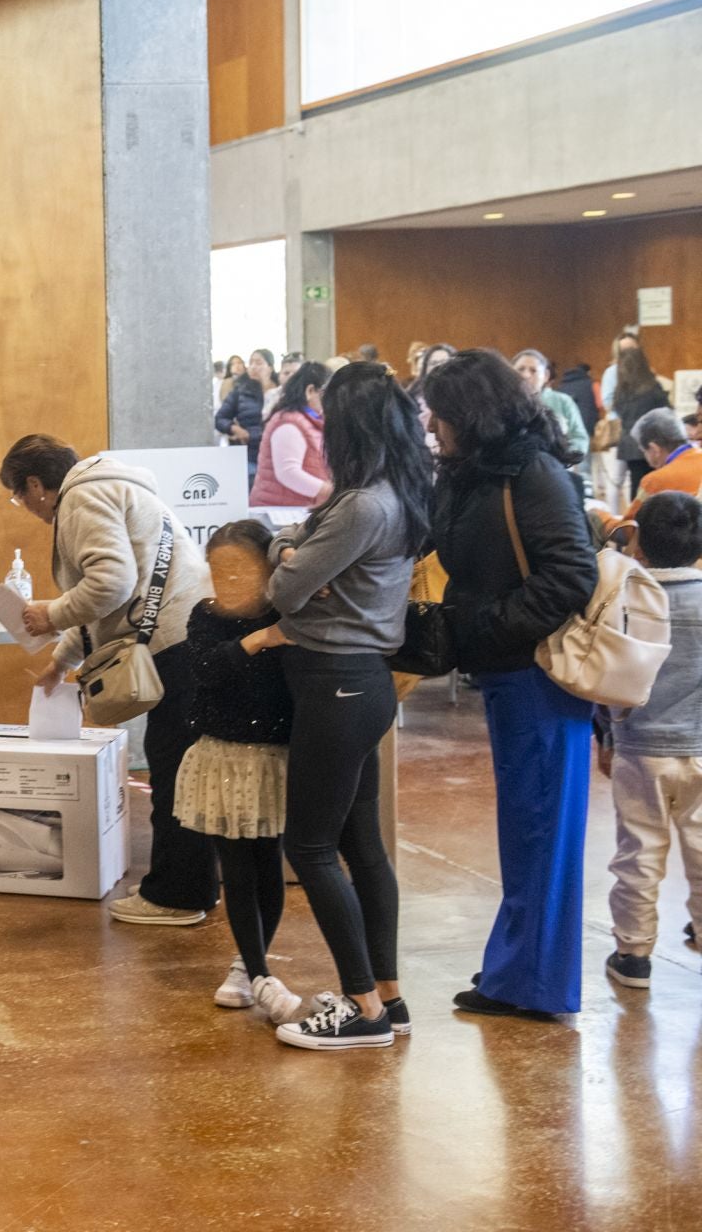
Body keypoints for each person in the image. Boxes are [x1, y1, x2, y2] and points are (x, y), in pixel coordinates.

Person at [425, 350, 599, 1018]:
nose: (432, 422)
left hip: (538, 677)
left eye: (440, 410)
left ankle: (534, 982)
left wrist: (493, 627)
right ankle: (516, 975)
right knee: (527, 834)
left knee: (542, 834)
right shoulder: (471, 473)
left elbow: (569, 575)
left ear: (471, 411)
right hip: (505, 671)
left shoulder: (533, 473)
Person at [262, 361, 428, 1051]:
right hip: (362, 685)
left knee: (310, 845)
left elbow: (283, 589)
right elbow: (300, 571)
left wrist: (288, 551)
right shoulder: (392, 491)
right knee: (362, 845)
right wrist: (298, 554)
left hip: (336, 682)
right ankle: (388, 995)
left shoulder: (360, 504)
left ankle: (361, 1009)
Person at [0, 435, 214, 926]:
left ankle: (177, 896)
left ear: (36, 484)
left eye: (18, 496)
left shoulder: (81, 498)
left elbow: (110, 583)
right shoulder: (112, 486)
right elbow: (111, 594)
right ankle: (194, 881)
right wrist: (62, 659)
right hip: (189, 637)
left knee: (173, 769)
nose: (24, 507)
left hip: (173, 646)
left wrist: (48, 614)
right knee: (181, 764)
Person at [174, 520, 313, 1023]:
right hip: (223, 757)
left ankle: (248, 966)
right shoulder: (205, 617)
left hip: (273, 757)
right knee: (234, 866)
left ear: (268, 568)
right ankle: (257, 972)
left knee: (266, 861)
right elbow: (204, 671)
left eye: (240, 568)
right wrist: (256, 642)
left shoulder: (289, 614)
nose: (228, 580)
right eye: (218, 570)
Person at [597, 491, 702, 992]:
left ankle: (633, 954)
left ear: (638, 541)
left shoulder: (628, 598)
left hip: (639, 745)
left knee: (638, 852)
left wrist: (607, 733)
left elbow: (608, 673)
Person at [250, 361, 331, 508]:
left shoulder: (311, 420)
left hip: (299, 507)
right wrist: (328, 491)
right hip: (280, 511)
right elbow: (288, 473)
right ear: (310, 391)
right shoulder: (289, 422)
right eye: (326, 394)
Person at [613, 345, 671, 497]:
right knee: (656, 485)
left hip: (629, 444)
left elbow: (618, 412)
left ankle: (636, 516)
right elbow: (666, 412)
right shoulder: (653, 388)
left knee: (637, 486)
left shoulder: (620, 392)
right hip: (653, 443)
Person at [622, 409, 702, 521]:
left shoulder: (655, 481)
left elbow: (628, 530)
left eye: (644, 451)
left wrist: (602, 517)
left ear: (655, 449)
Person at [513, 349, 588, 465]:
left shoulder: (563, 402)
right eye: (520, 369)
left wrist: (563, 457)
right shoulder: (503, 404)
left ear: (546, 376)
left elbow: (580, 437)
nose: (526, 375)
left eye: (533, 370)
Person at [214, 350, 273, 480]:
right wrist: (234, 428)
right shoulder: (240, 391)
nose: (253, 367)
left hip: (275, 456)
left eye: (259, 363)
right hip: (249, 456)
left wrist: (251, 435)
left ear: (270, 367)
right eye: (251, 363)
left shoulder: (279, 392)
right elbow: (220, 419)